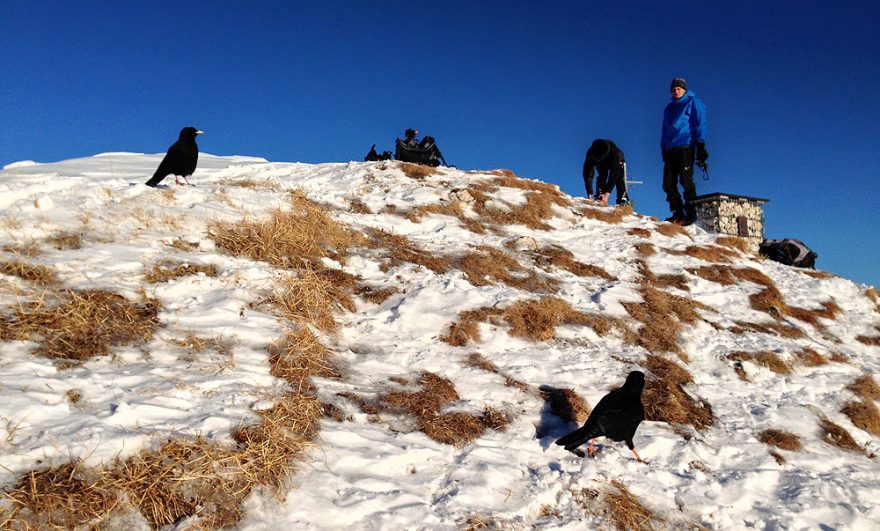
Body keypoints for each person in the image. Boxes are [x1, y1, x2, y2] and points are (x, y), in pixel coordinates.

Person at [661, 77, 708, 225]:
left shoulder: (693, 102)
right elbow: (664, 130)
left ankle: (691, 213)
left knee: (686, 180)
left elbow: (700, 123)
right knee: (668, 183)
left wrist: (700, 144)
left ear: (684, 89)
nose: (676, 91)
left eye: (678, 89)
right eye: (673, 89)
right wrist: (663, 147)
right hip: (670, 149)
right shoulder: (669, 108)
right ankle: (677, 213)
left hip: (686, 146)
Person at [583, 139, 629, 205]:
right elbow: (588, 174)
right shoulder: (591, 154)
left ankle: (622, 200)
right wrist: (589, 194)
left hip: (618, 160)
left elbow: (613, 175)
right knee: (602, 176)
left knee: (618, 180)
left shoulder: (614, 153)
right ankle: (599, 195)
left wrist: (606, 195)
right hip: (602, 161)